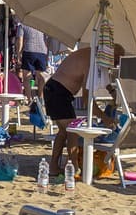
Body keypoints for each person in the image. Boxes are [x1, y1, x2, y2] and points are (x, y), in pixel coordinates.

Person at [44, 44, 124, 175]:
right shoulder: (92, 62)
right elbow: (87, 100)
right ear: (111, 55)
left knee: (64, 132)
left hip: (55, 90)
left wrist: (112, 92)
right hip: (58, 92)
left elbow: (104, 79)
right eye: (116, 61)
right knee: (72, 131)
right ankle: (73, 167)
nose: (116, 65)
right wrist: (104, 118)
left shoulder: (94, 55)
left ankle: (54, 167)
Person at [14, 22, 49, 102]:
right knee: (40, 76)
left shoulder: (22, 25)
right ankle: (40, 98)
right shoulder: (42, 25)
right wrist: (47, 56)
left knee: (26, 77)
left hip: (29, 50)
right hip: (42, 52)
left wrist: (18, 54)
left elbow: (20, 40)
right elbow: (46, 41)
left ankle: (29, 99)